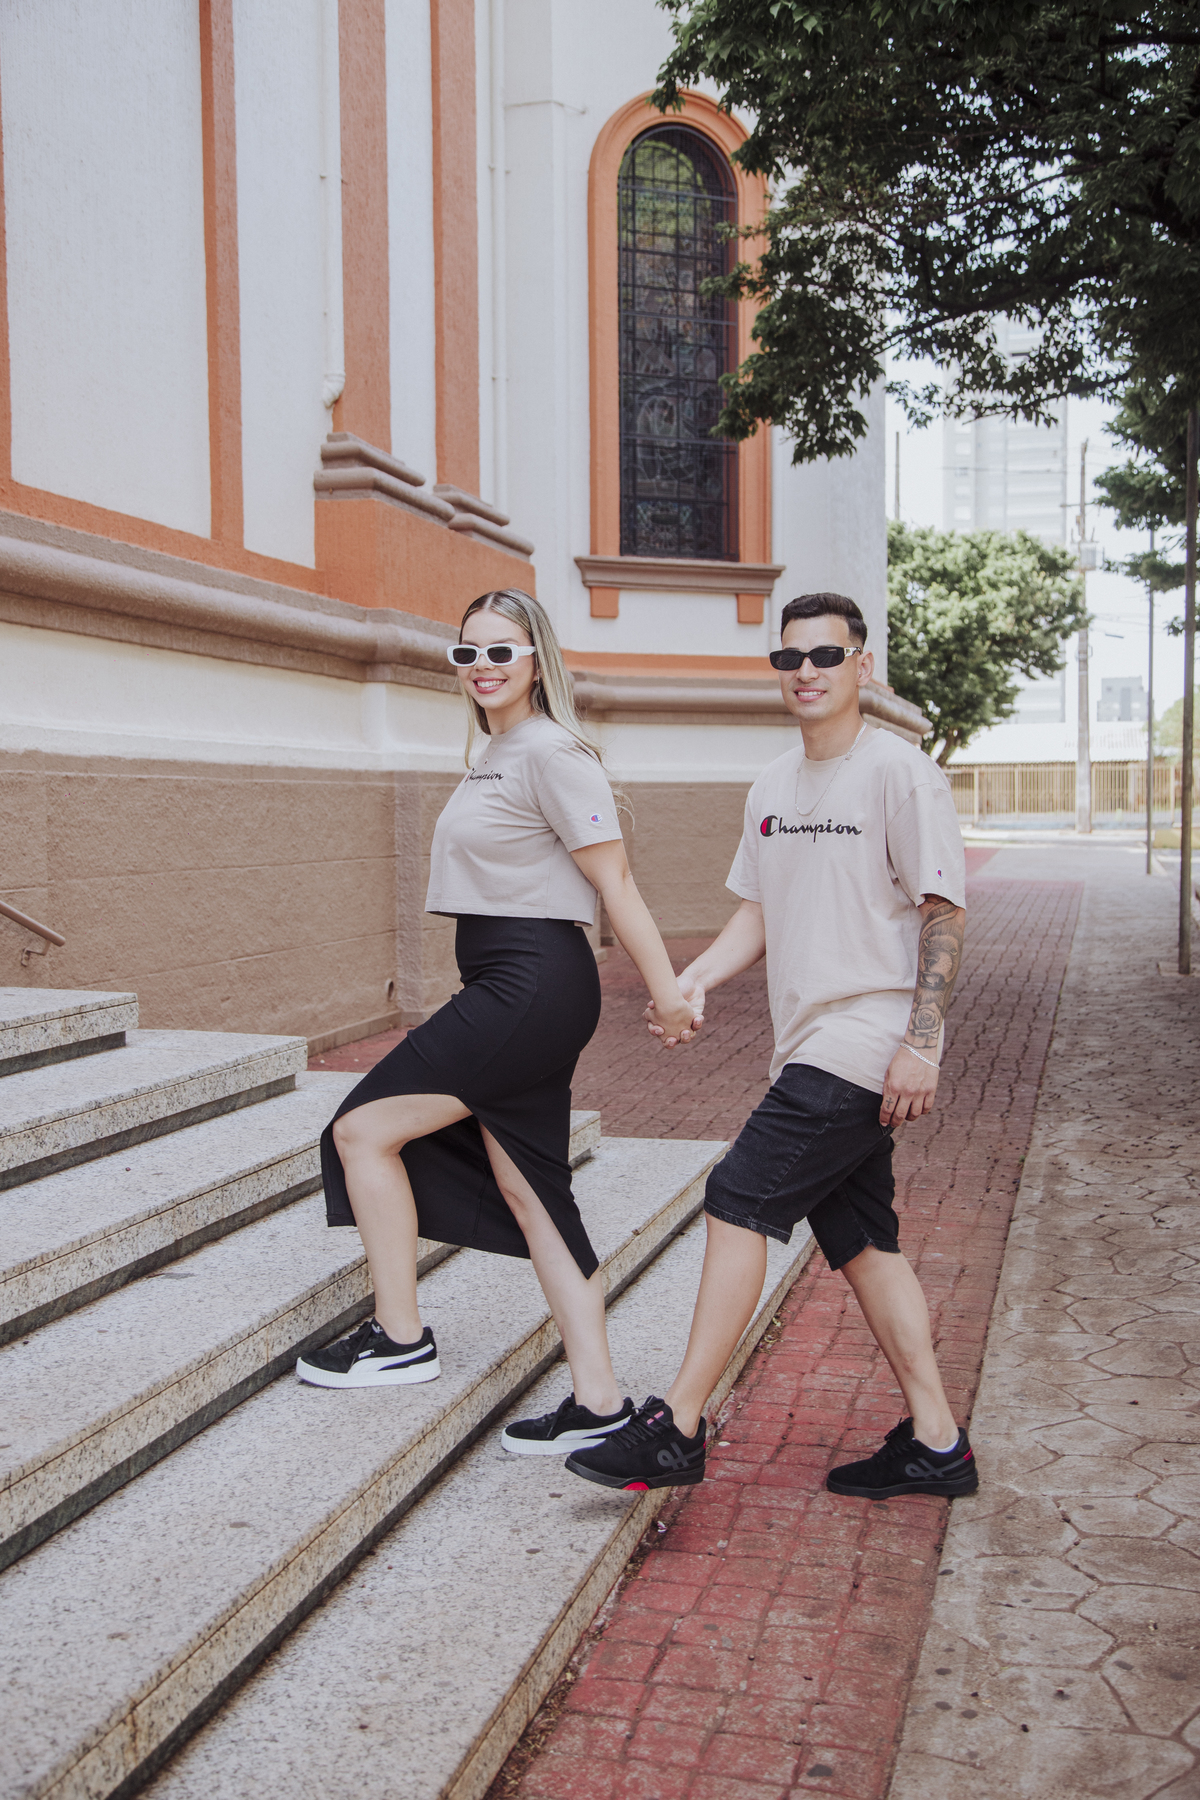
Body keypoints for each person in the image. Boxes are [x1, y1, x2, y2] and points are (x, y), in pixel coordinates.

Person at [565, 591, 978, 1502]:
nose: (807, 672)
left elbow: (943, 911)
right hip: (807, 1043)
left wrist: (924, 1043)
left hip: (863, 1040)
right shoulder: (772, 787)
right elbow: (758, 910)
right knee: (863, 1240)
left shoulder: (899, 773)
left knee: (738, 1196)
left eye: (826, 656)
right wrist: (696, 980)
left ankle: (678, 1425)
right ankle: (938, 1444)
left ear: (862, 665)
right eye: (789, 658)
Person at [297, 587, 702, 1461]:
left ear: (536, 659)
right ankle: (600, 1401)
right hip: (509, 980)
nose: (482, 667)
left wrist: (667, 993)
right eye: (468, 652)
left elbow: (616, 882)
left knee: (362, 1131)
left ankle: (400, 1339)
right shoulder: (497, 751)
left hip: (531, 983)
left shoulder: (552, 752)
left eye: (501, 651)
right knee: (531, 1192)